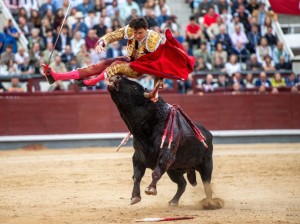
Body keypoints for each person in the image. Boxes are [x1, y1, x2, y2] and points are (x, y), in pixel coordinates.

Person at [43, 17, 195, 100]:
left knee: (116, 65)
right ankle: (56, 76)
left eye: (140, 33)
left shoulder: (154, 39)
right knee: (99, 65)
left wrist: (155, 92)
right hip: (129, 59)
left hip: (139, 68)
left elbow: (161, 67)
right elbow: (113, 35)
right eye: (135, 33)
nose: (136, 35)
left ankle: (91, 82)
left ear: (146, 30)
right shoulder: (130, 29)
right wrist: (102, 42)